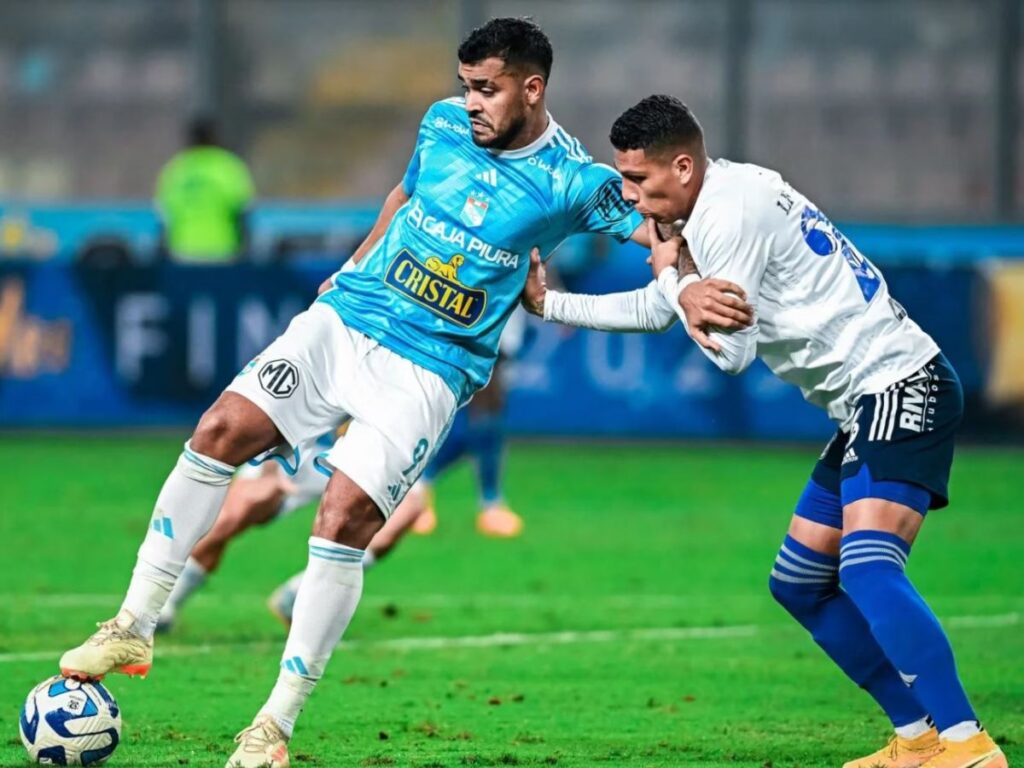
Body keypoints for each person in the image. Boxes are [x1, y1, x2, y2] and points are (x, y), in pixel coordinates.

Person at [56, 21, 747, 768]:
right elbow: (404, 194)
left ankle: (272, 727)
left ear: (532, 88)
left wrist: (686, 285)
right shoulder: (442, 124)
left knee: (342, 518)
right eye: (466, 86)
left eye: (487, 89)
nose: (471, 102)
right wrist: (352, 265)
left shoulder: (573, 181)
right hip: (349, 317)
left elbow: (660, 228)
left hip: (429, 368)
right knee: (220, 430)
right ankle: (133, 624)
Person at [521, 95, 1007, 768]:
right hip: (864, 405)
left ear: (682, 166)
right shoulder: (705, 206)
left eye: (638, 179)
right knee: (801, 583)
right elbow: (667, 309)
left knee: (868, 568)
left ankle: (966, 743)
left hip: (900, 383)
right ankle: (918, 737)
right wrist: (552, 304)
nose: (629, 196)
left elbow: (730, 353)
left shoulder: (728, 213)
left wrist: (674, 280)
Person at [155, 117, 254, 263]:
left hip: (183, 253)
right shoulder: (229, 168)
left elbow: (165, 218)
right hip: (223, 252)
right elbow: (243, 214)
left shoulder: (175, 170)